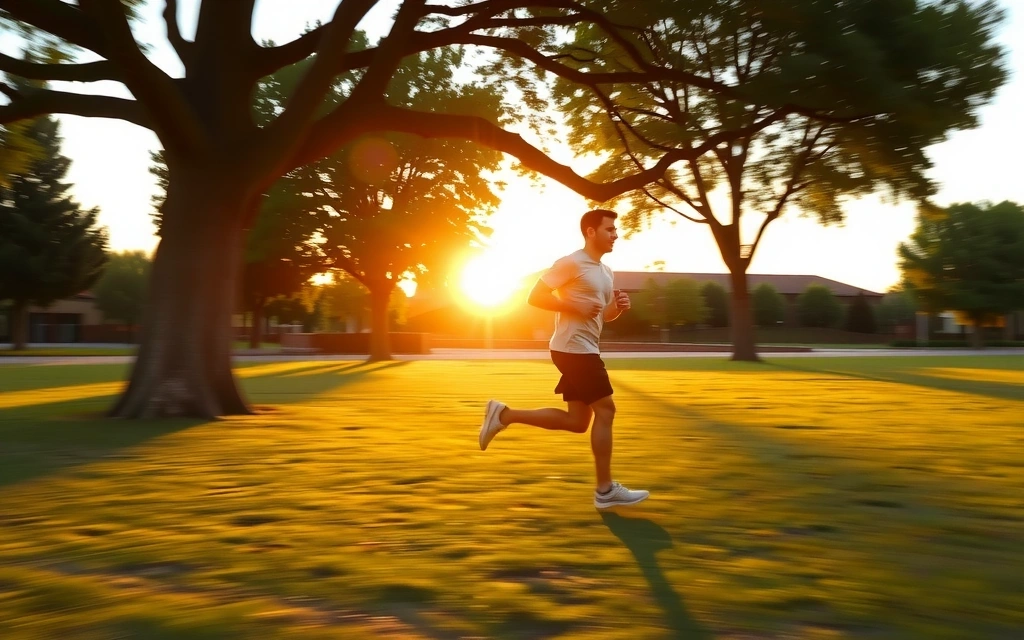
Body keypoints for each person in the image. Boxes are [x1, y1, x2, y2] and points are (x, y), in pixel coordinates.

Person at [479, 209, 650, 509]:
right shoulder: (571, 263)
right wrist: (572, 306)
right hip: (573, 348)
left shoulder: (605, 271)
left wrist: (618, 308)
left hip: (584, 348)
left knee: (577, 422)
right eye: (610, 229)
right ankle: (605, 489)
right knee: (606, 410)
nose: (616, 235)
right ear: (590, 232)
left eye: (615, 230)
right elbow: (535, 296)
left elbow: (603, 315)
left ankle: (503, 415)